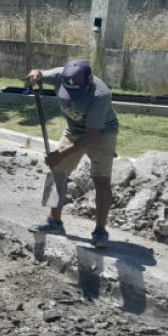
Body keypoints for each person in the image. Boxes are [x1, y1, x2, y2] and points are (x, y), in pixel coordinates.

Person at [24, 59, 119, 248]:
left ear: (90, 80)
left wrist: (61, 153)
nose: (72, 97)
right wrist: (35, 74)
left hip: (101, 133)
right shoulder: (60, 75)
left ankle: (100, 231)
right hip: (74, 130)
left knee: (101, 179)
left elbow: (91, 136)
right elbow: (40, 72)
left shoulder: (100, 95)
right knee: (57, 169)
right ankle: (54, 222)